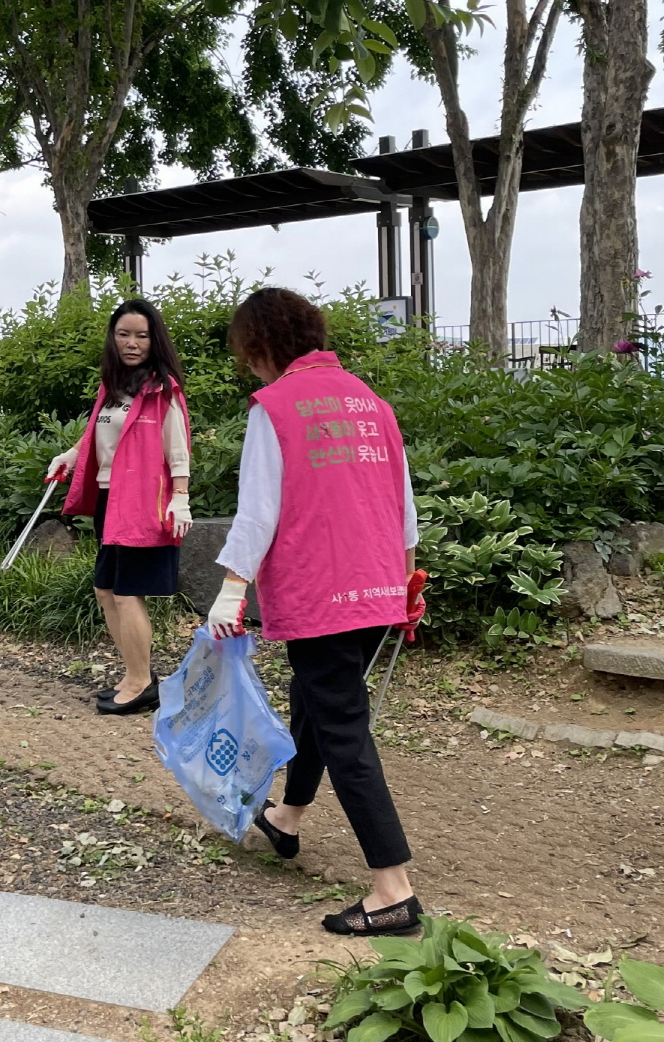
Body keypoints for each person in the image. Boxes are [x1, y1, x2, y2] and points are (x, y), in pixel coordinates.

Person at [206, 287, 427, 937]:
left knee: (345, 733)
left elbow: (258, 513)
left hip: (321, 592)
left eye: (249, 354)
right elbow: (403, 501)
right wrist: (409, 580)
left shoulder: (274, 409)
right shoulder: (370, 402)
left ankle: (393, 887)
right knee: (318, 701)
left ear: (262, 346)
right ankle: (288, 818)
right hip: (378, 586)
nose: (250, 367)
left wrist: (230, 589)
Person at [46, 299, 193, 715]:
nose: (132, 343)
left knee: (128, 593)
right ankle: (135, 673)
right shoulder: (111, 387)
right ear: (113, 338)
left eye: (142, 336)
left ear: (154, 340)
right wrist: (71, 454)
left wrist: (180, 497)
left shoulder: (162, 391)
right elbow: (96, 434)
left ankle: (142, 682)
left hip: (144, 503)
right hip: (109, 498)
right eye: (124, 334)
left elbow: (178, 451)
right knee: (106, 590)